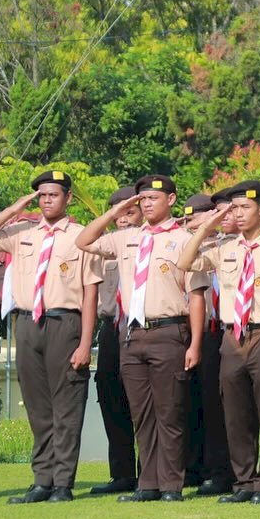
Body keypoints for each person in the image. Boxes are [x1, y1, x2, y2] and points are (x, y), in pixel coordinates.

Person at [0, 171, 100, 504]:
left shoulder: (82, 236)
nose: (46, 201)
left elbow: (90, 294)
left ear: (68, 198)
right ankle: (42, 479)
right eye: (41, 196)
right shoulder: (22, 232)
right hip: (27, 325)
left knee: (66, 407)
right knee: (38, 409)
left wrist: (86, 343)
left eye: (53, 195)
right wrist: (14, 209)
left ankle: (62, 483)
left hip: (64, 323)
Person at [76, 174, 208, 503]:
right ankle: (147, 483)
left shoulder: (183, 239)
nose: (146, 204)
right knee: (142, 414)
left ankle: (171, 485)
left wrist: (194, 344)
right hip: (132, 334)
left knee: (170, 412)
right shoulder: (127, 238)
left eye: (153, 198)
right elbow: (84, 240)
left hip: (169, 330)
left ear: (172, 200)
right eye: (142, 199)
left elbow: (196, 297)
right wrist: (116, 209)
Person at [177, 181, 260, 505]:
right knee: (235, 413)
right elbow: (185, 261)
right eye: (233, 209)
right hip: (232, 337)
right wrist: (209, 224)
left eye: (244, 207)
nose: (238, 214)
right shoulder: (226, 248)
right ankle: (244, 481)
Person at [91, 186, 143, 495]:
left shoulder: (154, 244)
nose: (123, 220)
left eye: (130, 213)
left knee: (147, 404)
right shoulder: (105, 248)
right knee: (111, 397)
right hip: (112, 327)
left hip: (144, 325)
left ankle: (150, 472)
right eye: (118, 215)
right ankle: (122, 473)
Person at [181, 193, 233, 495]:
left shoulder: (230, 246)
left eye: (197, 217)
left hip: (222, 329)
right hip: (192, 330)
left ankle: (223, 471)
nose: (193, 223)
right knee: (196, 403)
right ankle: (197, 467)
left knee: (220, 405)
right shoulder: (197, 248)